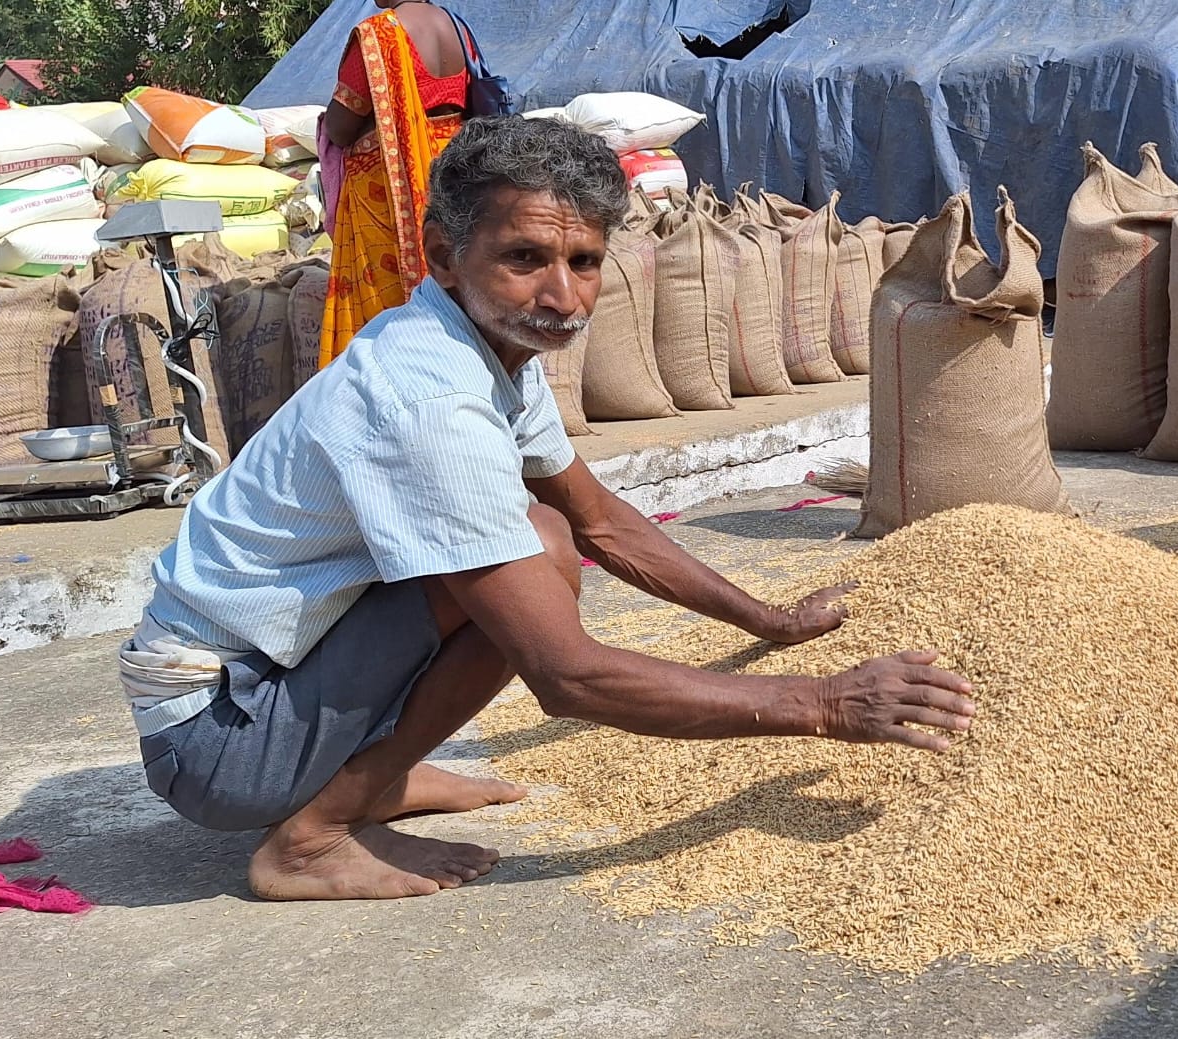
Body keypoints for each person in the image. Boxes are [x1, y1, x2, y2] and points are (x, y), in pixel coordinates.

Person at [117, 117, 976, 903]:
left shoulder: (487, 345)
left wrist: (771, 620)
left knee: (547, 534)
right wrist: (824, 703)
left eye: (584, 262)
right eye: (524, 258)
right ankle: (313, 834)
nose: (563, 296)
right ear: (444, 254)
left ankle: (371, 774)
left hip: (274, 684)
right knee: (530, 553)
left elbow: (602, 521)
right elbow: (567, 676)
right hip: (219, 739)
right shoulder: (432, 401)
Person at [316, 0, 473, 368]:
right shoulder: (457, 29)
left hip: (387, 194)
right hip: (451, 181)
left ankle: (389, 380)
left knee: (386, 313)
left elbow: (340, 127)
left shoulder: (379, 34)